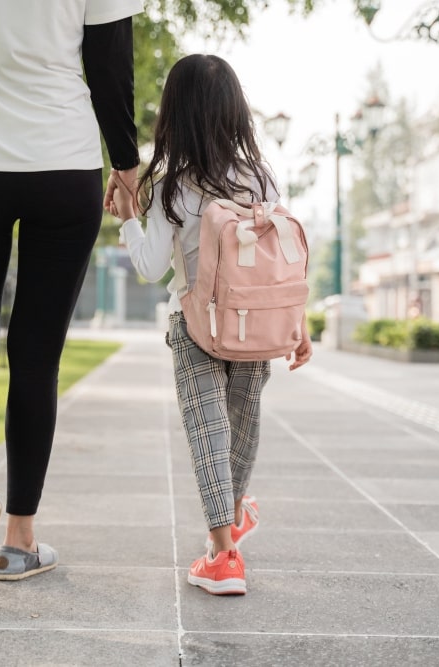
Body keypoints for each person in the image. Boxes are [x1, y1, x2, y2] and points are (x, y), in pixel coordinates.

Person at [0, 0, 144, 596]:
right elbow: (111, 63)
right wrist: (126, 165)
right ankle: (19, 543)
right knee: (36, 358)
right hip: (62, 166)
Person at [110, 54, 313, 596]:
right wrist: (299, 323)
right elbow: (278, 259)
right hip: (257, 326)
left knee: (208, 432)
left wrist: (128, 216)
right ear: (235, 111)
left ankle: (224, 556)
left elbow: (152, 268)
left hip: (196, 326)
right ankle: (227, 531)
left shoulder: (172, 183)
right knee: (241, 426)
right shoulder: (260, 177)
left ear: (174, 112)